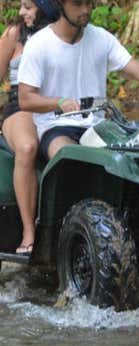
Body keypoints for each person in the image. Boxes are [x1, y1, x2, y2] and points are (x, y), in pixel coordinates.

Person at [17, 0, 139, 162]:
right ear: (60, 4)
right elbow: (25, 99)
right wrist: (58, 102)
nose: (85, 10)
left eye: (88, 3)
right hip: (56, 128)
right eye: (77, 3)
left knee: (137, 160)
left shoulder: (101, 38)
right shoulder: (39, 44)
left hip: (97, 127)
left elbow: (138, 70)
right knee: (69, 157)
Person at [0, 0, 60, 256]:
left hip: (58, 106)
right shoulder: (14, 34)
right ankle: (28, 231)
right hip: (21, 107)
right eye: (22, 6)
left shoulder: (63, 32)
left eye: (28, 6)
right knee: (27, 146)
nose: (22, 12)